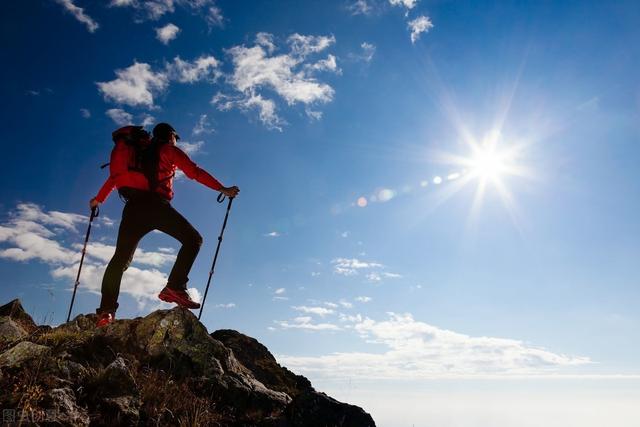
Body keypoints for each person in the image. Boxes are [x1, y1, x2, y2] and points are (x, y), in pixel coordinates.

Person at [90, 123, 239, 327]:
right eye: (176, 137)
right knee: (193, 240)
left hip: (133, 209)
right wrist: (222, 189)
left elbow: (114, 179)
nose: (176, 141)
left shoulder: (138, 153)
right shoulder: (168, 150)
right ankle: (175, 286)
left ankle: (106, 311)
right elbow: (194, 172)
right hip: (156, 206)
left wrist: (98, 200)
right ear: (170, 136)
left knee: (120, 260)